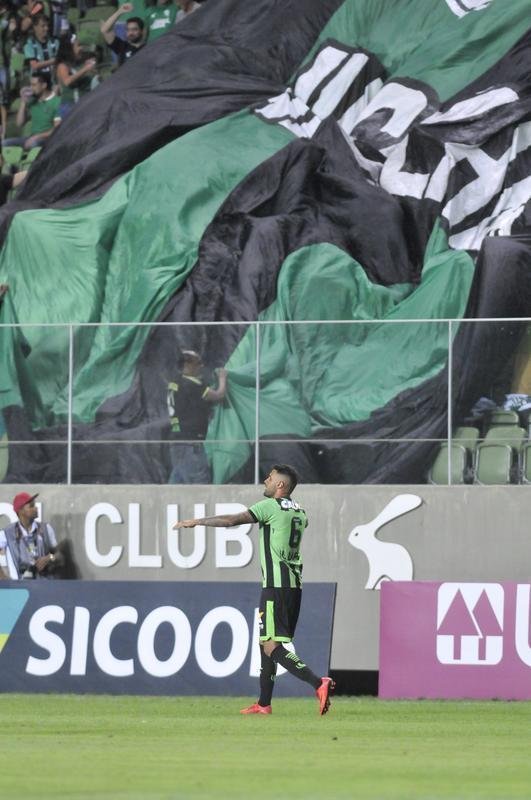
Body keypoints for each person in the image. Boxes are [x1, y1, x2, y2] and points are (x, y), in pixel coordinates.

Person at [173, 464, 335, 715]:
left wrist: (197, 521)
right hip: (293, 586)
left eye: (270, 479)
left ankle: (318, 683)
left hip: (275, 586)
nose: (265, 481)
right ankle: (264, 704)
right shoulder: (301, 511)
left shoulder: (269, 507)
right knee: (265, 643)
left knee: (271, 646)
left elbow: (231, 520)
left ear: (280, 485)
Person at [167, 349, 226, 483]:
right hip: (190, 444)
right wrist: (223, 378)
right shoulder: (193, 385)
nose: (202, 366)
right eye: (198, 363)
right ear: (187, 365)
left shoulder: (174, 382)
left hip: (176, 442)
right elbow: (219, 395)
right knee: (201, 486)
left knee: (177, 484)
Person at [0, 491, 64, 580]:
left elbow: (59, 556)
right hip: (20, 589)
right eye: (31, 506)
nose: (36, 508)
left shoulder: (46, 528)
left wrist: (49, 558)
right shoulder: (6, 533)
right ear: (20, 511)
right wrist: (2, 576)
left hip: (45, 587)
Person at [3, 70, 60, 150]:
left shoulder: (56, 102)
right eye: (30, 85)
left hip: (47, 139)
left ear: (44, 85)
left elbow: (57, 129)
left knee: (34, 144)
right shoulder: (32, 101)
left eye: (34, 85)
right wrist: (23, 102)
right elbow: (19, 123)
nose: (31, 88)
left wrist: (37, 137)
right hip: (31, 138)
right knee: (4, 143)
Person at [55, 34, 98, 119]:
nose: (81, 48)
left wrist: (91, 69)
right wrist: (85, 69)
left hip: (83, 104)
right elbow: (67, 81)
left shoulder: (78, 64)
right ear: (69, 49)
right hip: (70, 107)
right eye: (78, 46)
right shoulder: (62, 66)